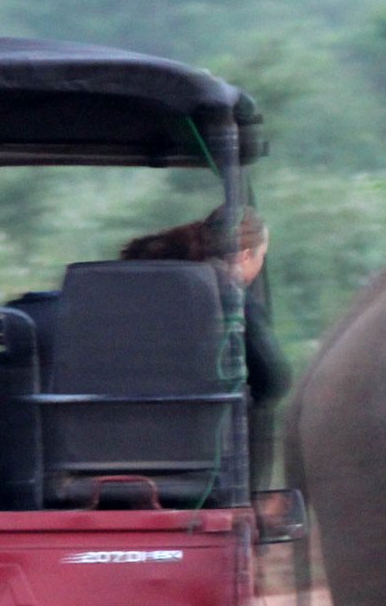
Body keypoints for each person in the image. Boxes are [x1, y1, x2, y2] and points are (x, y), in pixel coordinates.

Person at [119, 206, 292, 483]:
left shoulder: (126, 292)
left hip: (114, 443)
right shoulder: (232, 299)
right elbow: (274, 379)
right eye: (262, 255)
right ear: (247, 255)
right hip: (199, 457)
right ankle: (252, 495)